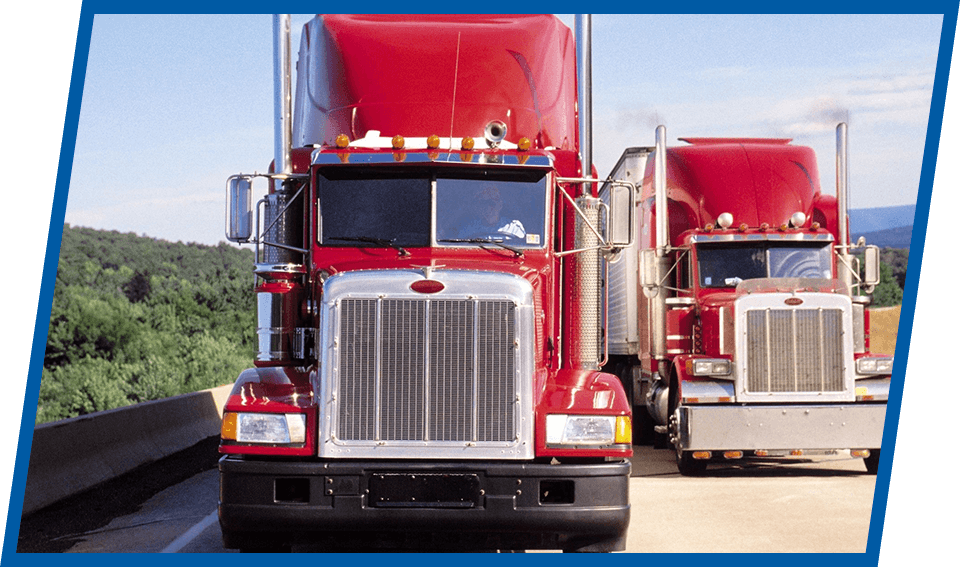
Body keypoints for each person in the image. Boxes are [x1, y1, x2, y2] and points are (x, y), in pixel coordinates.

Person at [458, 185, 525, 240]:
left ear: (500, 205)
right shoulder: (469, 229)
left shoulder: (514, 228)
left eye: (491, 203)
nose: (488, 207)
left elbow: (524, 251)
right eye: (484, 203)